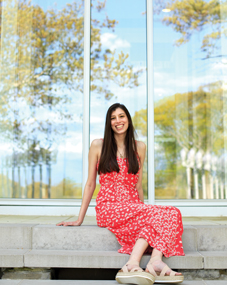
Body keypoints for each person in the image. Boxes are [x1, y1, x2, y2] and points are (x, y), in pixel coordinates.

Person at [57, 103, 185, 285]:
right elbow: (90, 184)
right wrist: (80, 219)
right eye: (113, 118)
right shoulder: (98, 145)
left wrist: (145, 210)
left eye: (121, 116)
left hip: (133, 206)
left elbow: (139, 185)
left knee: (172, 213)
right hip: (109, 207)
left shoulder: (139, 147)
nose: (118, 121)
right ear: (109, 123)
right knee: (161, 216)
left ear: (128, 120)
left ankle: (153, 262)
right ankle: (135, 264)